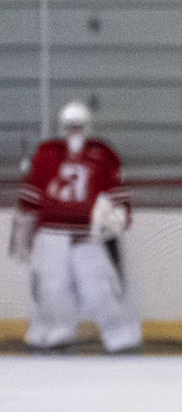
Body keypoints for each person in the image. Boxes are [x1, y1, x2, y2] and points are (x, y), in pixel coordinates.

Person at [9, 100, 139, 353]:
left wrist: (118, 216)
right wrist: (23, 231)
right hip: (51, 235)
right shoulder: (46, 152)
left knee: (100, 289)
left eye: (78, 125)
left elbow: (116, 194)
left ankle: (120, 337)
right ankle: (55, 335)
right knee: (51, 290)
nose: (74, 130)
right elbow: (31, 197)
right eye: (70, 125)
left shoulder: (103, 154)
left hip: (86, 235)